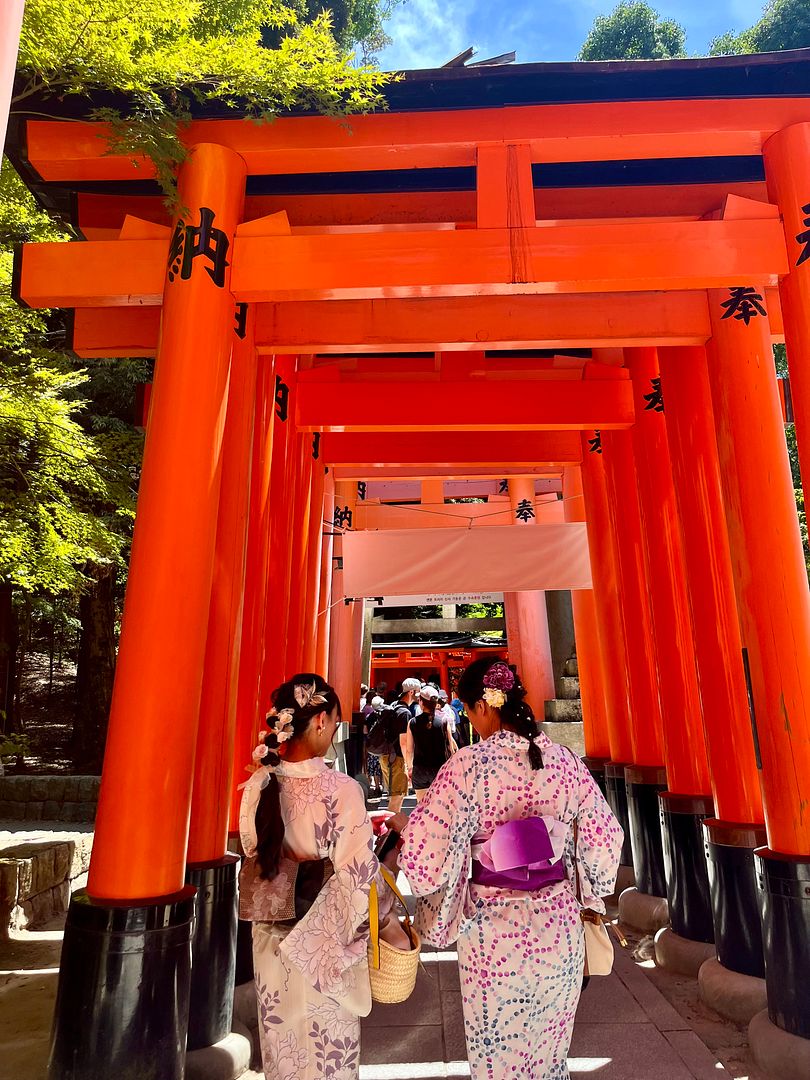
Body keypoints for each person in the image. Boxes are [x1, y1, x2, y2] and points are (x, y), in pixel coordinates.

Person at [389, 657, 623, 1080]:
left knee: (497, 1058)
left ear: (482, 707)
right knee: (550, 1057)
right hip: (558, 928)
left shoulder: (467, 767)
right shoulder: (565, 762)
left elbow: (424, 860)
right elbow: (606, 841)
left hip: (493, 935)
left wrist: (417, 841)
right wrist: (590, 891)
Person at [238, 673, 393, 1080]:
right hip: (326, 935)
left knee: (282, 1043)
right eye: (336, 722)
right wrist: (386, 905)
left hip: (272, 932)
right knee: (330, 1051)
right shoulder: (341, 789)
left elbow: (253, 849)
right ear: (321, 720)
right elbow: (359, 878)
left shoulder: (258, 783)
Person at [404, 684, 457, 802]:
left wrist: (409, 768)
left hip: (420, 769)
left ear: (421, 703)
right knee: (441, 805)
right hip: (439, 769)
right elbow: (450, 747)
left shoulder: (412, 723)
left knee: (421, 806)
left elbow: (409, 749)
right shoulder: (443, 722)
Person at [378, 679, 419, 812]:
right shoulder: (405, 713)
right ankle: (390, 831)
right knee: (397, 798)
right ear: (411, 692)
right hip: (397, 759)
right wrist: (409, 764)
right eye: (417, 693)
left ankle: (391, 829)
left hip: (387, 756)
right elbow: (404, 741)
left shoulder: (394, 707)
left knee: (395, 797)